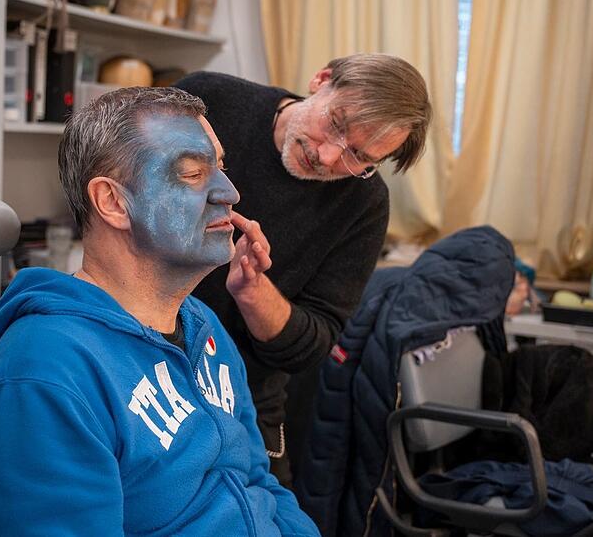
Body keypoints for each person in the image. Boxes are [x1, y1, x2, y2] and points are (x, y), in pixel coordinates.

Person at [0, 87, 319, 536]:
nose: (230, 192)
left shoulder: (204, 328)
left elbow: (260, 483)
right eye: (193, 173)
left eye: (221, 167)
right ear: (113, 202)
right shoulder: (43, 378)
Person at [174, 53, 432, 486]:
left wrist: (253, 290)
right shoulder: (209, 100)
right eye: (336, 124)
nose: (327, 157)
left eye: (359, 156)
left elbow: (309, 348)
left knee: (271, 512)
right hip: (138, 359)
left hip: (242, 395)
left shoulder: (364, 205)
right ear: (321, 79)